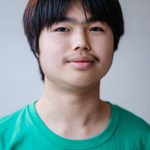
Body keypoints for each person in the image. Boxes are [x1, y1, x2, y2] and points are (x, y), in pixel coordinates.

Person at [0, 0, 150, 149]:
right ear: (36, 43)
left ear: (114, 42)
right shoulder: (5, 139)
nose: (81, 42)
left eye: (96, 28)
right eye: (62, 29)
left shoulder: (142, 139)